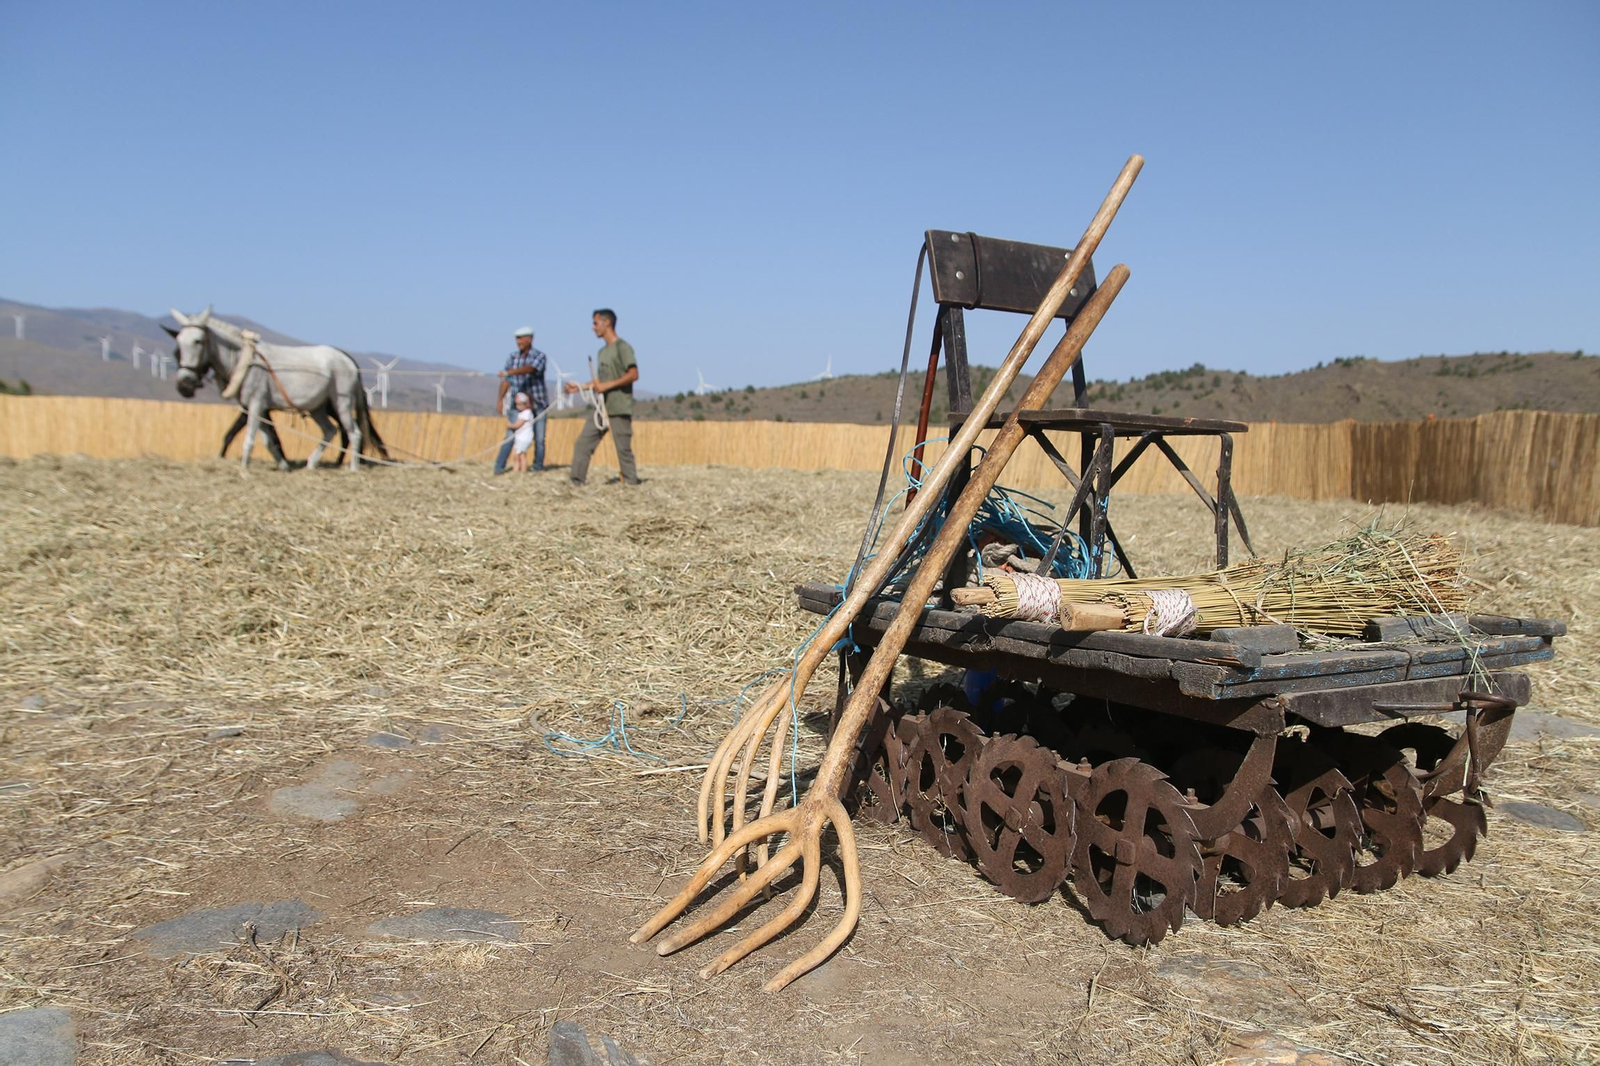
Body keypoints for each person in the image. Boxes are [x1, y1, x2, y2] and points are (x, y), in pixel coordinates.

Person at [565, 308, 639, 486]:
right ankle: (576, 482)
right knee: (583, 443)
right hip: (601, 406)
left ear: (607, 323)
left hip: (619, 406)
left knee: (623, 449)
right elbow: (600, 381)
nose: (593, 327)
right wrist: (580, 387)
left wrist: (607, 386)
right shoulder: (601, 353)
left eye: (595, 323)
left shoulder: (623, 348)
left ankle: (631, 484)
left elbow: (633, 374)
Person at [493, 326, 549, 474]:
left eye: (521, 338)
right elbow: (506, 380)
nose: (519, 342)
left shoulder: (539, 356)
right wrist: (500, 399)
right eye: (517, 338)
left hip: (538, 403)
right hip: (516, 405)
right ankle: (499, 468)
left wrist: (510, 372)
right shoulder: (512, 358)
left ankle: (537, 468)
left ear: (530, 339)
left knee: (540, 438)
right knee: (510, 435)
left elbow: (530, 369)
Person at [507, 392, 536, 473]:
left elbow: (518, 425)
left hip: (523, 439)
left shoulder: (526, 413)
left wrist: (510, 425)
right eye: (516, 404)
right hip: (520, 438)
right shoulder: (524, 413)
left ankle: (522, 471)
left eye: (519, 404)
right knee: (517, 455)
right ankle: (516, 470)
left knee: (520, 456)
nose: (517, 406)